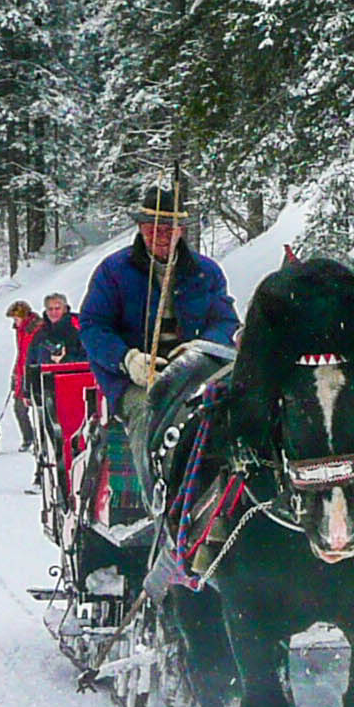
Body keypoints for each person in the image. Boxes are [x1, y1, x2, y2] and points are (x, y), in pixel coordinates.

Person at [80, 187, 241, 507]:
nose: (161, 235)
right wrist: (127, 360)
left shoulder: (206, 272)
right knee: (147, 412)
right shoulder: (113, 271)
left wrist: (201, 347)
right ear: (140, 227)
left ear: (182, 230)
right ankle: (159, 504)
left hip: (197, 371)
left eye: (169, 228)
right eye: (152, 227)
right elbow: (92, 327)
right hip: (135, 379)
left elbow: (226, 322)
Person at [6, 300, 42, 452]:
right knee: (19, 408)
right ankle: (28, 438)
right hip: (22, 374)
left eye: (16, 318)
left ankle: (41, 441)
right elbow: (21, 355)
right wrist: (15, 373)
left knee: (39, 409)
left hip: (35, 373)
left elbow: (33, 355)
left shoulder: (37, 329)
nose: (15, 322)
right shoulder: (20, 331)